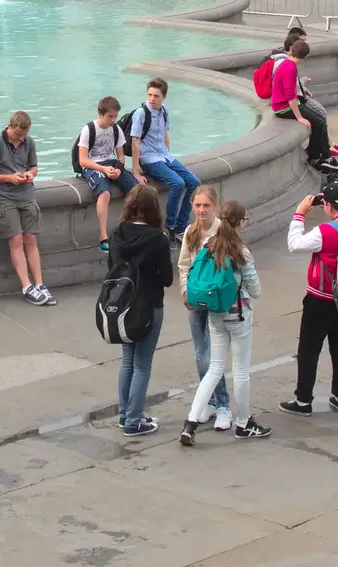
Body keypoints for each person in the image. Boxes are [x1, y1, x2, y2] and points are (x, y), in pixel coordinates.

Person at [179, 199, 269, 445]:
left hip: (215, 314)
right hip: (239, 316)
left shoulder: (209, 244)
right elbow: (256, 289)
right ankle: (243, 423)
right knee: (240, 371)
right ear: (241, 222)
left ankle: (191, 422)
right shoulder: (240, 251)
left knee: (214, 368)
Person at [279, 176, 338, 415]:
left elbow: (294, 244)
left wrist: (300, 213)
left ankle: (303, 401)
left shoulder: (325, 232)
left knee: (309, 349)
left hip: (320, 299)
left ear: (328, 206)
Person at [110, 184, 175, 436]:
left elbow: (112, 268)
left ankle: (126, 413)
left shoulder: (117, 234)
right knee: (143, 365)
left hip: (123, 306)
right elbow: (167, 278)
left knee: (127, 361)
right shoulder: (158, 238)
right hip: (148, 304)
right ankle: (134, 421)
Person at [0, 111, 54, 305]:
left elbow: (34, 167)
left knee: (31, 238)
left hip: (26, 194)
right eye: (17, 135)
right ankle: (26, 285)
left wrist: (30, 174)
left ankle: (39, 284)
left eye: (23, 135)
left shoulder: (29, 142)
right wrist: (9, 178)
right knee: (16, 238)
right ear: (9, 127)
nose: (20, 139)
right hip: (2, 195)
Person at [177, 187, 231, 431]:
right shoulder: (190, 231)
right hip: (195, 301)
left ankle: (224, 406)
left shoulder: (223, 232)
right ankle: (208, 401)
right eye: (197, 205)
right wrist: (185, 291)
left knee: (214, 357)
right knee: (201, 356)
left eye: (206, 206)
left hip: (217, 300)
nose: (201, 210)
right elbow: (183, 264)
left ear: (215, 206)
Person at [130, 78, 202, 241]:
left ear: (164, 96)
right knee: (178, 183)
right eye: (149, 95)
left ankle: (181, 225)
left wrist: (169, 157)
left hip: (164, 156)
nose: (152, 99)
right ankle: (169, 226)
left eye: (156, 96)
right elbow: (135, 142)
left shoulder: (165, 111)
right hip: (149, 159)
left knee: (195, 182)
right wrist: (135, 171)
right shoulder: (140, 113)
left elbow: (165, 133)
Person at [77, 96, 139, 252]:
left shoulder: (116, 129)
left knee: (136, 190)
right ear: (100, 114)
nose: (113, 120)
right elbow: (83, 160)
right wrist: (103, 169)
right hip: (93, 165)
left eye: (115, 116)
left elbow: (121, 156)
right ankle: (103, 237)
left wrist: (118, 168)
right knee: (104, 193)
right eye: (110, 116)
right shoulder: (88, 129)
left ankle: (131, 227)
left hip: (110, 163)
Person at [272, 39, 334, 170]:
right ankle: (314, 156)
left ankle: (325, 154)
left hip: (285, 104)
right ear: (305, 56)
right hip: (283, 108)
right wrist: (299, 117)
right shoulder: (289, 67)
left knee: (320, 119)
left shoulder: (287, 63)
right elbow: (290, 95)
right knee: (319, 123)